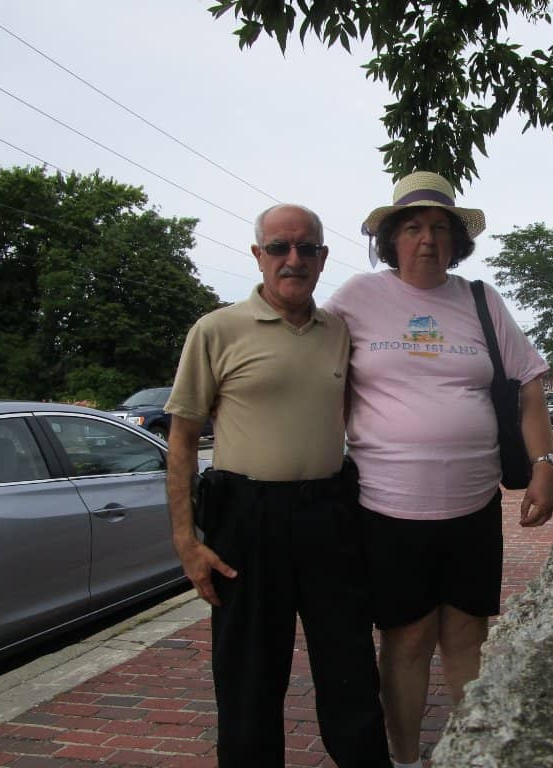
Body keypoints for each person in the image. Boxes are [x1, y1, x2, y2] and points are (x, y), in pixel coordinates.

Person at [325, 172, 553, 768]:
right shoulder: (356, 298)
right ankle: (404, 760)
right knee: (405, 641)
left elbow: (529, 386)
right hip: (387, 507)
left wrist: (545, 464)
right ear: (390, 240)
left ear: (456, 240)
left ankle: (469, 754)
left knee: (465, 637)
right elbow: (304, 358)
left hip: (474, 505)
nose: (426, 239)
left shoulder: (481, 300)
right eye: (412, 227)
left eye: (438, 228)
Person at [164, 204, 392, 768]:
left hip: (329, 514)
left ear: (322, 256)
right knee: (248, 677)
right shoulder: (215, 331)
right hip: (246, 518)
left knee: (350, 669)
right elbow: (183, 441)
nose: (294, 260)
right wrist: (187, 543)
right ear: (257, 255)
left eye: (306, 248)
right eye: (279, 248)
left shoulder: (339, 332)